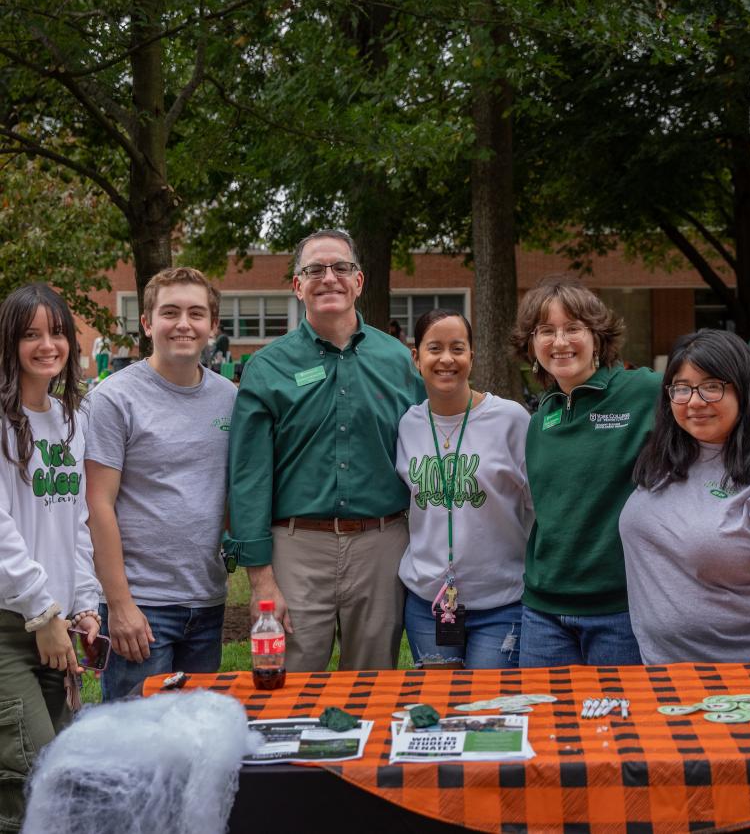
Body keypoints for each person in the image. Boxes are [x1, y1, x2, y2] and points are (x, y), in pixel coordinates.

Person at [225, 229, 425, 671]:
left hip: (381, 544)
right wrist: (260, 579)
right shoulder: (267, 367)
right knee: (289, 682)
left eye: (340, 267)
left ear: (359, 281)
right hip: (296, 548)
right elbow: (249, 477)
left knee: (374, 684)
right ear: (298, 286)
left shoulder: (398, 361)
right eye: (314, 269)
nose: (328, 277)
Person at [85, 267, 237, 700]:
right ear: (148, 323)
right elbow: (98, 505)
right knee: (136, 748)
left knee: (194, 737)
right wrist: (119, 604)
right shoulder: (114, 399)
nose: (184, 324)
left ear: (212, 325)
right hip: (142, 605)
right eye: (170, 312)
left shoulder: (230, 398)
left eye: (196, 313)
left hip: (207, 601)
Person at [510, 275, 660, 667]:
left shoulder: (643, 391)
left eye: (572, 328)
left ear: (597, 336)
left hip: (619, 610)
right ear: (532, 343)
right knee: (545, 725)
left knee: (617, 727)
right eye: (546, 331)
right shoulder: (542, 415)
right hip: (543, 611)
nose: (559, 342)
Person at [0, 284, 100, 831]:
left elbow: (76, 522)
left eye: (56, 332)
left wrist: (85, 605)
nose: (47, 345)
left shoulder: (69, 418)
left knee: (60, 775)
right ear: (9, 342)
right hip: (13, 628)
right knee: (28, 779)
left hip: (57, 629)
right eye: (31, 334)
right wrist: (41, 612)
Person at [620, 329, 750, 664]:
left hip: (747, 678)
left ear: (744, 391)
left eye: (712, 386)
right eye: (682, 388)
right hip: (659, 671)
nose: (695, 401)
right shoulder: (661, 461)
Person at [397, 309, 533, 668]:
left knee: (488, 714)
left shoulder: (511, 420)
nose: (446, 359)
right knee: (438, 712)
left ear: (472, 355)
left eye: (457, 348)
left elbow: (537, 508)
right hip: (429, 605)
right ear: (417, 357)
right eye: (434, 348)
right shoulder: (407, 424)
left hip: (501, 603)